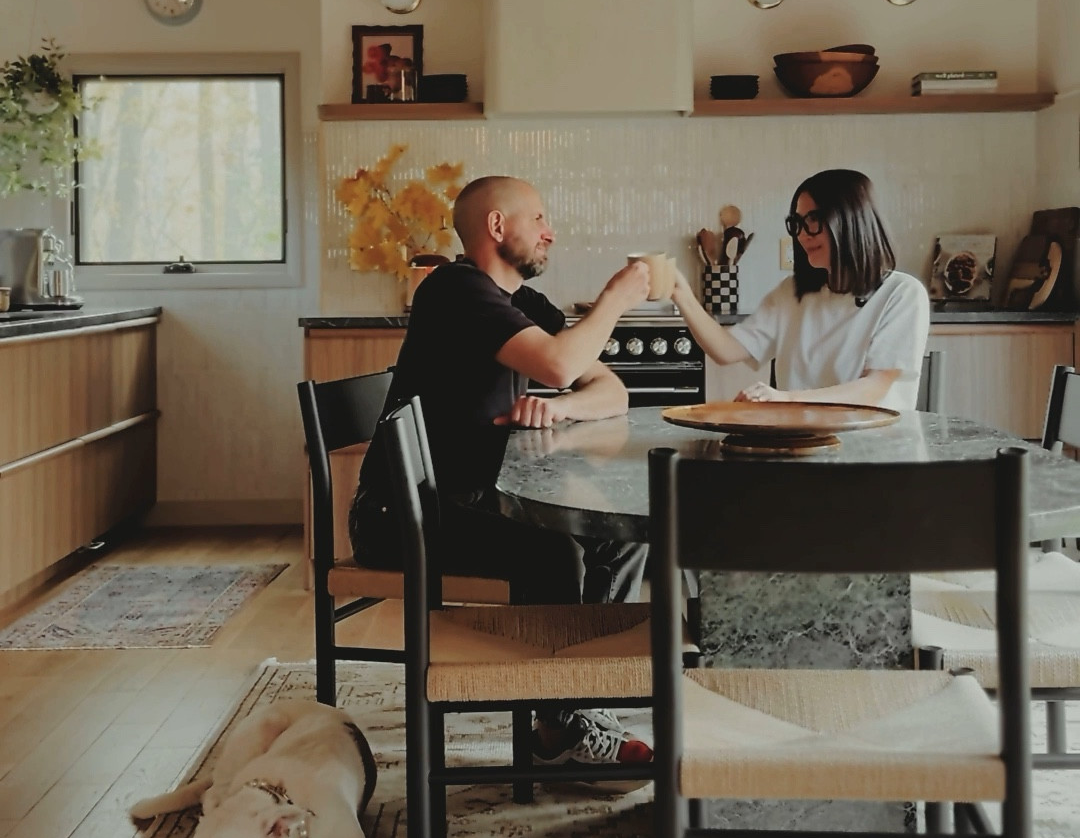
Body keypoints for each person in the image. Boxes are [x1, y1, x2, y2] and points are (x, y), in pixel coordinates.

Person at [349, 174, 653, 765]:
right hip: (399, 516)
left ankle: (581, 698)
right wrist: (617, 297)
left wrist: (560, 407)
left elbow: (611, 390)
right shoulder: (453, 289)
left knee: (620, 534)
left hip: (473, 502)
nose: (550, 232)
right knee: (553, 551)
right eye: (538, 218)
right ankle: (560, 730)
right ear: (496, 225)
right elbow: (560, 364)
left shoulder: (522, 303)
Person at [672, 168, 929, 409]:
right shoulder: (792, 292)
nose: (802, 235)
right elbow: (726, 350)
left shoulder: (901, 294)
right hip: (801, 437)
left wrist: (786, 399)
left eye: (814, 219)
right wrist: (680, 292)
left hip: (874, 441)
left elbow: (875, 387)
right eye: (797, 222)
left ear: (850, 220)